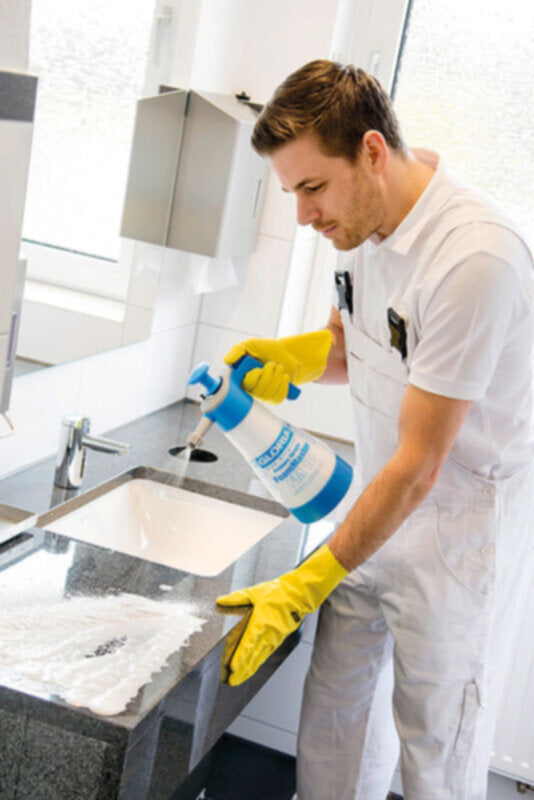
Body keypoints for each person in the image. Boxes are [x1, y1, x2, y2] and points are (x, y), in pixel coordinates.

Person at [216, 60, 534, 799]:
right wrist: (298, 357)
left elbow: (422, 464)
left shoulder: (475, 259)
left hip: (456, 533)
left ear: (371, 151)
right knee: (336, 731)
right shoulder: (360, 222)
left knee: (435, 758)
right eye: (293, 193)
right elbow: (353, 343)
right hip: (377, 502)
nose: (304, 216)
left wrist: (305, 583)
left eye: (313, 188)